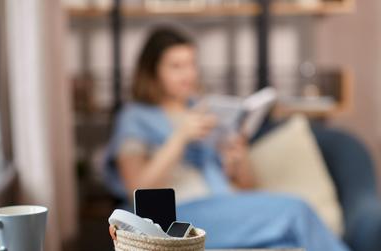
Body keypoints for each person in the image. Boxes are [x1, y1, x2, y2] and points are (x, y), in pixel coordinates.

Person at [103, 27, 349, 251]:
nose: (188, 74)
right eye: (176, 66)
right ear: (153, 71)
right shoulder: (135, 117)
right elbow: (135, 185)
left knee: (284, 244)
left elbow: (247, 187)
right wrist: (180, 139)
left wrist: (238, 158)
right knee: (296, 210)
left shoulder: (205, 110)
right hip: (179, 216)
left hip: (224, 205)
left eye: (191, 64)